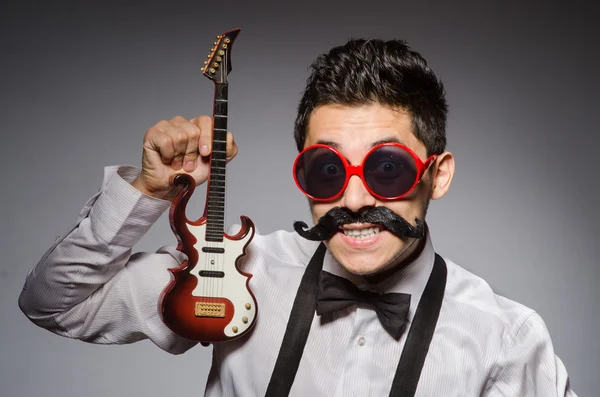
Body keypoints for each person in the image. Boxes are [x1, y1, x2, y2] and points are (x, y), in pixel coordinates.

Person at [18, 38, 576, 396]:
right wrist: (145, 192)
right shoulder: (237, 275)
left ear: (438, 174)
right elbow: (52, 304)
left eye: (386, 169)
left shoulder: (506, 339)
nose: (354, 201)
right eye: (328, 171)